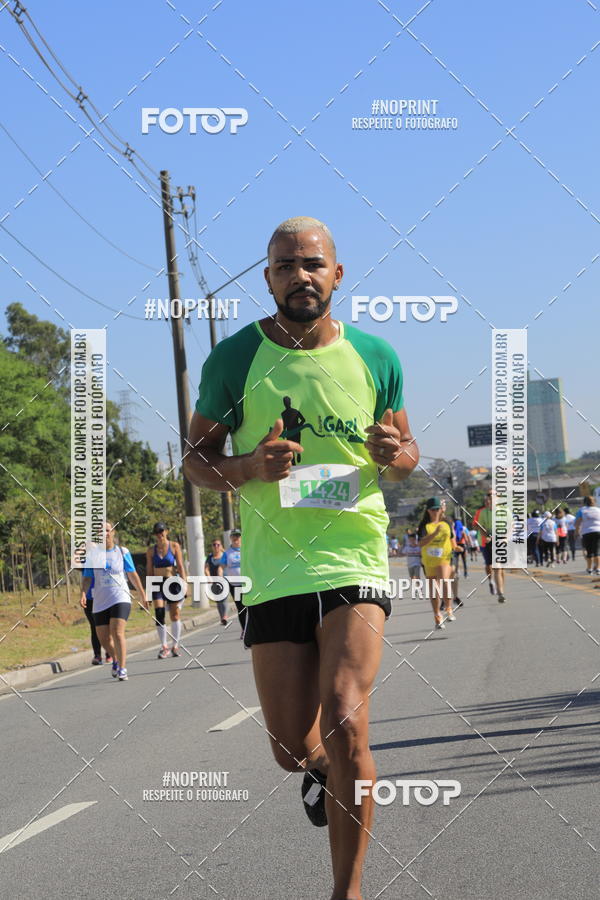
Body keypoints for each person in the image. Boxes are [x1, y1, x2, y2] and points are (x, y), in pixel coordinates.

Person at [183, 216, 419, 900]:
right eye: (285, 266)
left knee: (345, 713)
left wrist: (393, 455)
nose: (300, 276)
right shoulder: (233, 360)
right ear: (268, 279)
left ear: (337, 275)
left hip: (354, 557)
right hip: (275, 567)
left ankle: (347, 892)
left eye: (312, 263)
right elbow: (197, 462)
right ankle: (316, 766)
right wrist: (252, 465)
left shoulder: (377, 356)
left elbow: (406, 454)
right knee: (292, 749)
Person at [81, 522, 148, 681]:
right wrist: (83, 593)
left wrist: (142, 595)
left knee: (117, 632)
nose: (104, 533)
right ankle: (115, 660)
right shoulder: (92, 555)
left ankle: (123, 668)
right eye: (100, 531)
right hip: (100, 600)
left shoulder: (122, 552)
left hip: (120, 597)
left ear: (112, 532)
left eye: (106, 530)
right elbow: (87, 577)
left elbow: (132, 575)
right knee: (103, 638)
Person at [146, 522, 188, 658]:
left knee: (174, 615)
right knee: (159, 613)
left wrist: (185, 583)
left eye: (162, 531)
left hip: (172, 582)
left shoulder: (175, 546)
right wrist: (148, 591)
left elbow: (180, 566)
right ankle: (164, 646)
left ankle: (175, 645)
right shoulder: (151, 551)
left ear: (167, 531)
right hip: (157, 583)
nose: (160, 534)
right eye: (157, 532)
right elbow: (149, 570)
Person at [417, 498, 456, 628]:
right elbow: (421, 543)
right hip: (429, 561)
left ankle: (449, 608)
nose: (435, 511)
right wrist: (434, 534)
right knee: (434, 589)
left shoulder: (447, 522)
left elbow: (451, 538)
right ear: (428, 510)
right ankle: (437, 614)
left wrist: (456, 548)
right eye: (433, 509)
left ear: (441, 510)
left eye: (437, 509)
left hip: (444, 558)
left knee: (445, 580)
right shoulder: (424, 526)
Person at [473, 491, 506, 602]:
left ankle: (500, 591)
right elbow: (475, 525)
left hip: (499, 541)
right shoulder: (480, 512)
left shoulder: (503, 510)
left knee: (499, 567)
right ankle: (491, 581)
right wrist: (484, 532)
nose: (489, 500)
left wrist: (505, 537)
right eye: (488, 497)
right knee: (489, 565)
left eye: (492, 497)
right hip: (484, 542)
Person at [79, 574, 112, 665]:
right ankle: (97, 655)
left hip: (105, 595)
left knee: (106, 626)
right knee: (94, 626)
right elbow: (77, 565)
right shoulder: (88, 561)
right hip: (89, 596)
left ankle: (109, 652)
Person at [223, 530, 246, 635]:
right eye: (234, 536)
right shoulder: (227, 553)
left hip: (248, 583)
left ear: (241, 537)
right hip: (235, 585)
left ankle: (252, 629)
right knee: (241, 607)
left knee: (251, 606)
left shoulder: (246, 550)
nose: (236, 538)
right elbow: (222, 568)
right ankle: (244, 630)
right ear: (230, 538)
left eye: (238, 536)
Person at [205, 538, 229, 625]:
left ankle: (225, 616)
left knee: (224, 598)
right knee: (218, 600)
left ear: (221, 546)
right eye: (214, 544)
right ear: (212, 546)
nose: (216, 546)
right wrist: (208, 577)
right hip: (214, 581)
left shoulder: (224, 555)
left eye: (218, 544)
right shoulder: (210, 557)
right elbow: (206, 568)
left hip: (224, 579)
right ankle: (221, 617)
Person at [574, 496, 600, 575]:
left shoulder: (582, 510)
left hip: (586, 532)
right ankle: (598, 568)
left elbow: (577, 522)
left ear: (584, 502)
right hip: (598, 531)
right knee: (597, 551)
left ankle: (589, 568)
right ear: (594, 502)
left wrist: (576, 532)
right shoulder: (598, 510)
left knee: (589, 551)